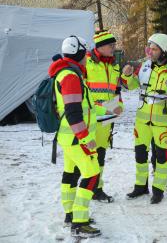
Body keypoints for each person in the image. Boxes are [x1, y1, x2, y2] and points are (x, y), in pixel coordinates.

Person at [121, 33, 167, 204]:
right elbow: (131, 86)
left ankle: (158, 190)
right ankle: (141, 186)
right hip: (142, 121)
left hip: (163, 122)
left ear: (164, 51)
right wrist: (127, 76)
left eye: (154, 49)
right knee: (140, 155)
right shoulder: (145, 66)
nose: (150, 52)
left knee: (162, 156)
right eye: (149, 48)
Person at [48, 36, 101, 237]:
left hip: (67, 136)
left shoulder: (64, 72)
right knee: (92, 173)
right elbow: (73, 113)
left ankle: (70, 214)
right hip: (76, 137)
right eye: (85, 54)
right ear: (78, 53)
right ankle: (80, 222)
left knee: (70, 174)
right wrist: (86, 138)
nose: (87, 58)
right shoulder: (71, 76)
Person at [85, 30, 124, 203]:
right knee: (88, 156)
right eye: (111, 45)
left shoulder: (114, 65)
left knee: (100, 154)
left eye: (114, 45)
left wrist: (118, 105)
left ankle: (97, 189)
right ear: (100, 47)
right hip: (90, 117)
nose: (113, 48)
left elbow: (116, 90)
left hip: (107, 117)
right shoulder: (86, 63)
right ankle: (85, 189)